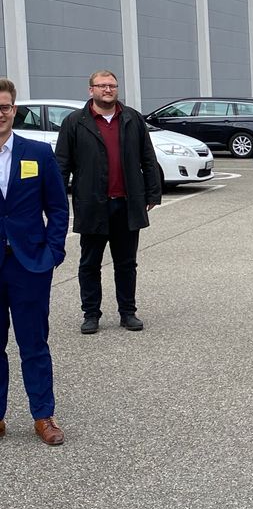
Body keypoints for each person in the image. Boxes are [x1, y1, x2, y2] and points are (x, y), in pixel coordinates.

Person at [55, 71, 161, 335]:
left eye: (112, 85)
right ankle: (91, 314)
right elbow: (62, 164)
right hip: (92, 205)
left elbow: (148, 158)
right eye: (101, 85)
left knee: (126, 263)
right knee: (89, 264)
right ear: (90, 90)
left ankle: (128, 312)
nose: (107, 90)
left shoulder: (132, 119)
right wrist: (57, 200)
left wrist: (152, 193)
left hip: (126, 204)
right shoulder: (75, 122)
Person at [0, 78, 69, 445]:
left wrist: (53, 251)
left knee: (34, 345)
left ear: (14, 110)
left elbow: (57, 207)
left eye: (4, 107)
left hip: (29, 265)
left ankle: (43, 416)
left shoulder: (37, 153)